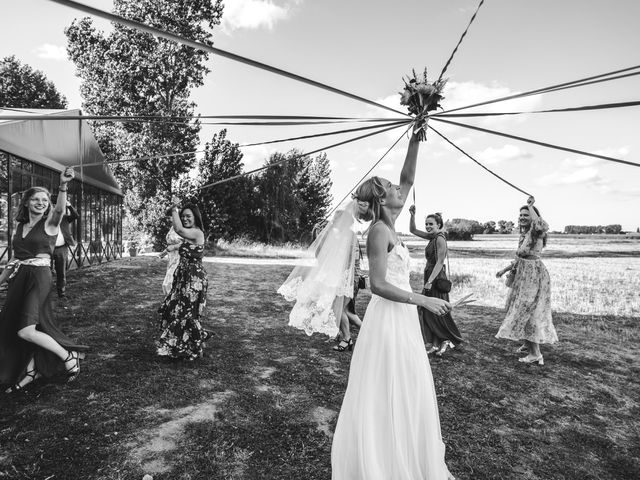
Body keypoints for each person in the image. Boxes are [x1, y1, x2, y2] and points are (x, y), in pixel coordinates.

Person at [331, 123, 454, 479]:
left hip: (401, 318)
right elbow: (378, 284)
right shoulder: (379, 231)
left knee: (407, 383)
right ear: (383, 199)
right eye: (390, 187)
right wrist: (424, 301)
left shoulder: (393, 222)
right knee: (390, 384)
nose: (399, 188)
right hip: (389, 317)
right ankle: (383, 461)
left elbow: (409, 174)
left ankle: (404, 454)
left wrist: (416, 134)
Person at [0, 168, 87, 393]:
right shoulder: (19, 227)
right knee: (16, 327)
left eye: (45, 200)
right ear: (27, 202)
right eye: (36, 199)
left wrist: (62, 185)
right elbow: (15, 258)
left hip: (39, 278)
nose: (41, 203)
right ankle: (31, 371)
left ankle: (69, 356)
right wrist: (2, 279)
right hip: (19, 279)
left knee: (26, 330)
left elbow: (59, 209)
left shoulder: (50, 223)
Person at [495, 196, 557, 365]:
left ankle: (535, 353)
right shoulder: (524, 234)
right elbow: (519, 258)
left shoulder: (536, 231)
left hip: (533, 276)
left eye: (526, 215)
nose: (522, 217)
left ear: (532, 216)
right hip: (523, 275)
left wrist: (531, 206)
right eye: (521, 214)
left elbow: (541, 224)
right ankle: (527, 343)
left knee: (528, 311)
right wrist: (504, 270)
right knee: (521, 308)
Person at [156, 202, 209, 360]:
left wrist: (173, 210)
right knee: (177, 308)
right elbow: (180, 245)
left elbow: (179, 230)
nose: (185, 219)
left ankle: (193, 346)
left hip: (194, 279)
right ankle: (189, 343)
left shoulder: (197, 233)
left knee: (186, 312)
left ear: (195, 218)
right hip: (183, 277)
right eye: (183, 216)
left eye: (188, 216)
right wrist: (167, 250)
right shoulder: (190, 235)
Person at [409, 207, 463, 356]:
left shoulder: (439, 238)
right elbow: (413, 230)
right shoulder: (432, 237)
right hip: (430, 275)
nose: (427, 227)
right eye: (426, 224)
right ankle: (434, 343)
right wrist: (412, 215)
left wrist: (430, 282)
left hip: (437, 277)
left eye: (430, 224)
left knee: (438, 309)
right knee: (428, 310)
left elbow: (440, 262)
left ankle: (446, 339)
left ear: (438, 225)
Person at [333, 213, 366, 352]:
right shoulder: (342, 235)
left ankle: (348, 338)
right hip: (344, 278)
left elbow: (350, 259)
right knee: (346, 310)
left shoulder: (349, 236)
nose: (333, 221)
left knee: (340, 308)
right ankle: (353, 337)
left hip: (350, 278)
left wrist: (343, 276)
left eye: (336, 219)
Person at [51, 198, 79, 298]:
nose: (55, 208)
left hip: (61, 248)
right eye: (53, 206)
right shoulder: (46, 219)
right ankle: (44, 292)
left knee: (61, 272)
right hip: (47, 248)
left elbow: (75, 215)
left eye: (57, 206)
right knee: (45, 271)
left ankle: (61, 293)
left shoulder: (65, 218)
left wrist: (69, 205)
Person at [159, 225, 183, 295]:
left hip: (180, 257)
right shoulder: (173, 227)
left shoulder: (186, 227)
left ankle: (174, 300)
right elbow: (170, 245)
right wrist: (164, 253)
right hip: (171, 258)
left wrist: (174, 247)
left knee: (171, 281)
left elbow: (188, 244)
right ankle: (171, 301)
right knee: (167, 283)